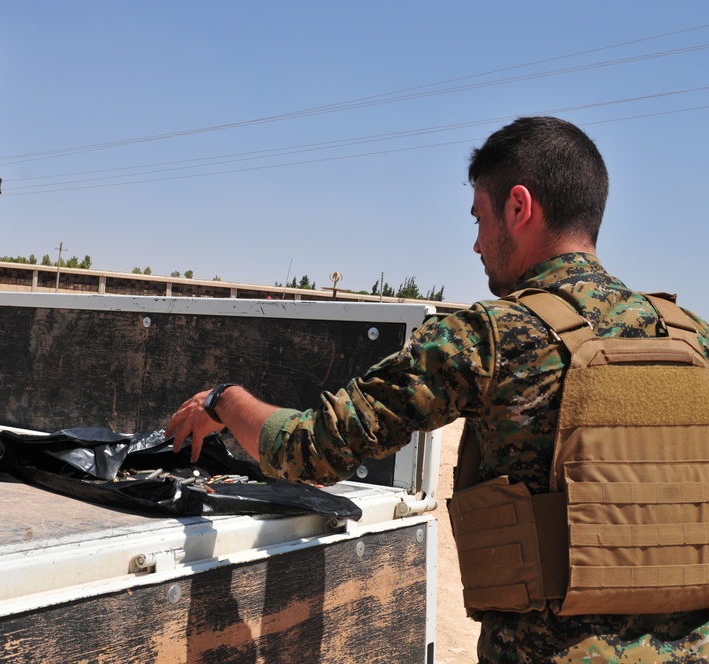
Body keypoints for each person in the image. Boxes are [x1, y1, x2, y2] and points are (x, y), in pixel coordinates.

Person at [166, 116, 709, 663]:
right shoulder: (693, 338)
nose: (475, 243)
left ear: (519, 207)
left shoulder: (492, 336)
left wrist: (225, 402)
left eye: (479, 217)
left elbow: (313, 450)